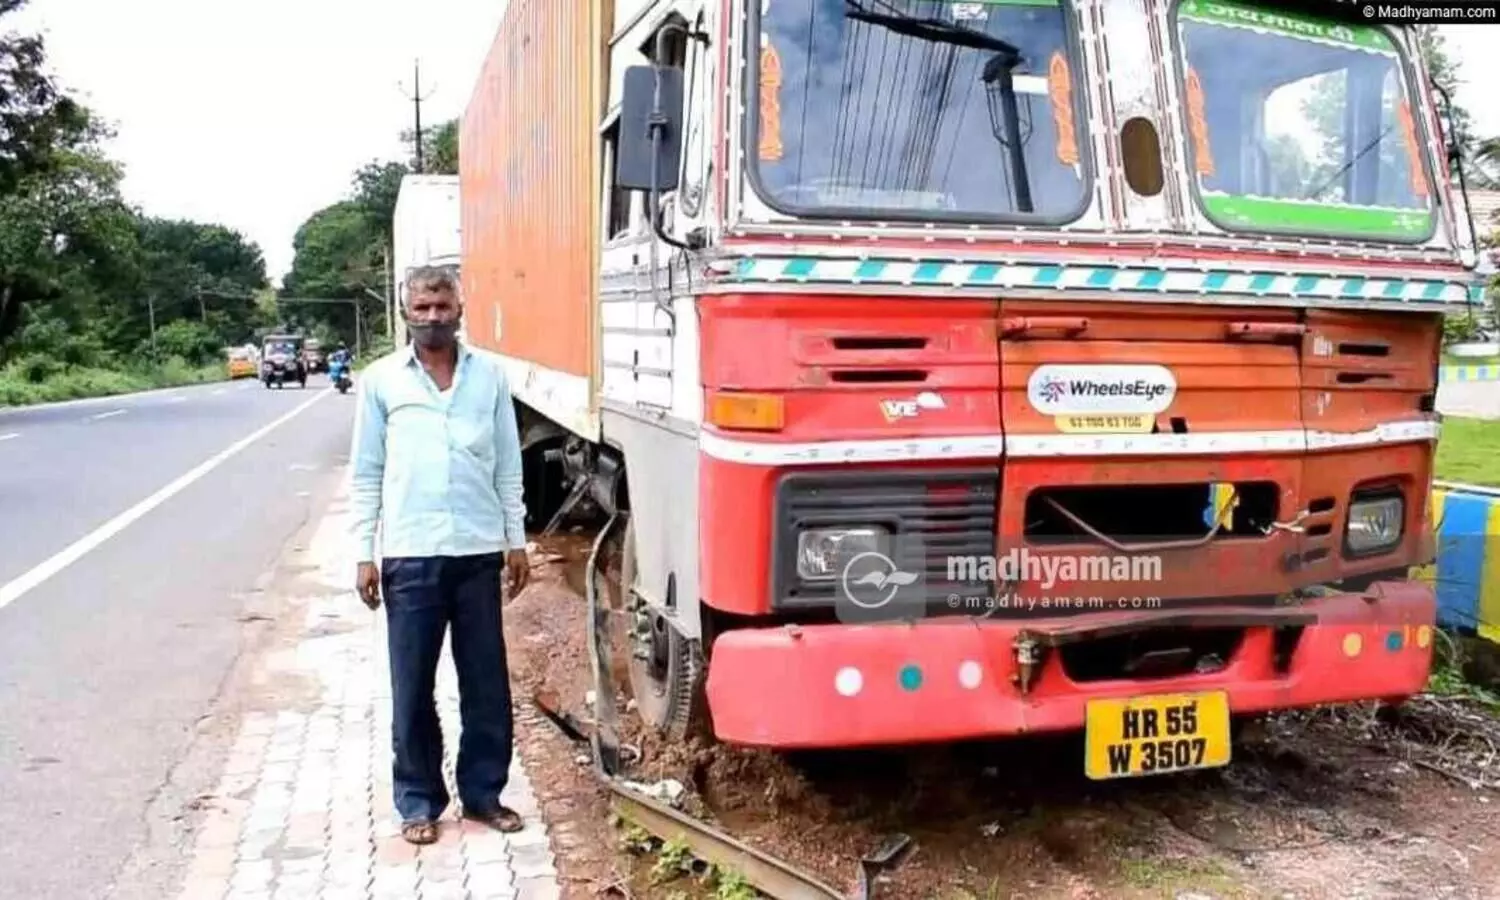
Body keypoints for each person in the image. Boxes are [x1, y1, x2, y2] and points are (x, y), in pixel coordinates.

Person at [348, 266, 530, 845]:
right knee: (412, 685)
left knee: (485, 682)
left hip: (478, 552)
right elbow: (366, 474)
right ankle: (419, 800)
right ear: (407, 312)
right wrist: (363, 553)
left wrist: (516, 539)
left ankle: (483, 795)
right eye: (422, 307)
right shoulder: (381, 383)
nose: (433, 316)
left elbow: (508, 464)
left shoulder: (490, 378)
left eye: (442, 306)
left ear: (459, 310)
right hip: (410, 554)